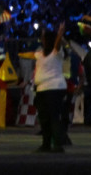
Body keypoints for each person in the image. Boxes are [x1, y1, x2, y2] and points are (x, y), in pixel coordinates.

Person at [32, 27, 71, 155]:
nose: (42, 41)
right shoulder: (40, 54)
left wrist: (59, 34)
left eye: (44, 39)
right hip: (42, 89)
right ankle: (46, 144)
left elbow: (57, 45)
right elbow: (29, 55)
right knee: (44, 118)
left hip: (55, 88)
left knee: (54, 117)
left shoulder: (57, 53)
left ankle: (57, 144)